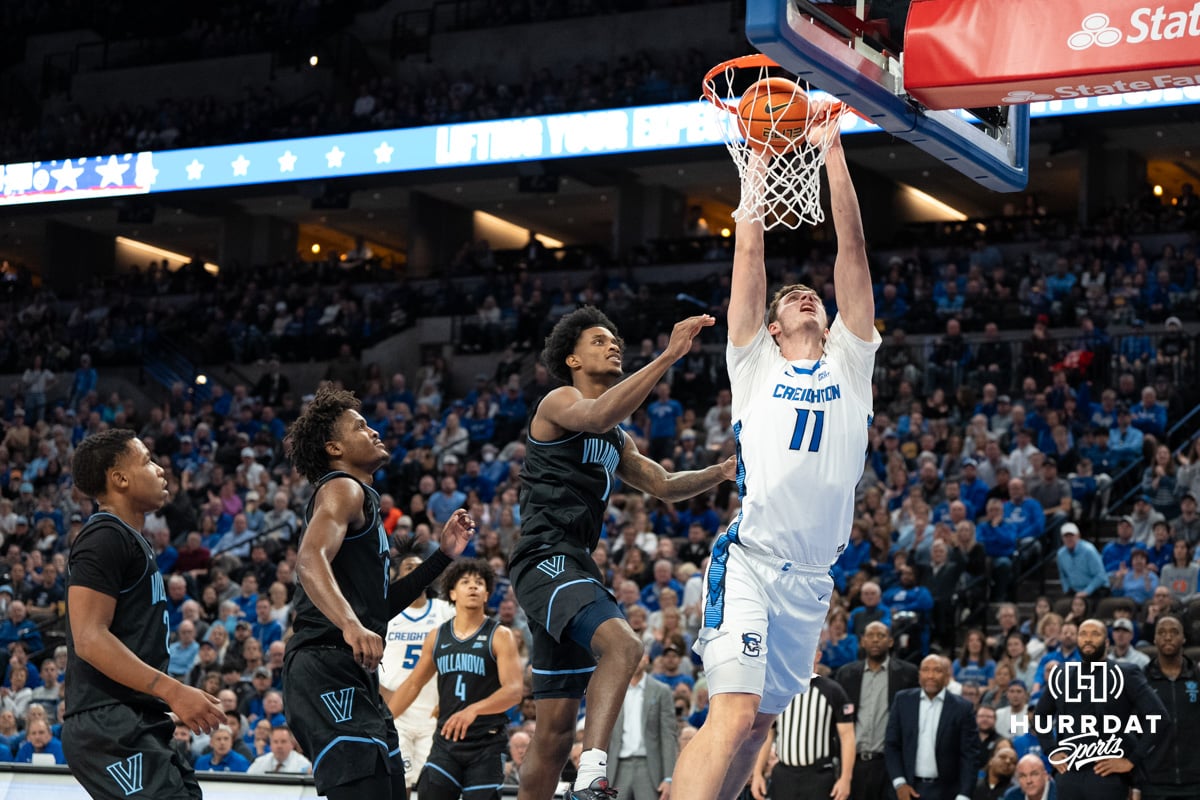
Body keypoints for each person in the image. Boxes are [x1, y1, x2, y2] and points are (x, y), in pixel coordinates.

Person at [673, 115, 879, 800]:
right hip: (753, 564)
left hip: (813, 582)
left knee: (759, 722)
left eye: (809, 294)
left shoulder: (851, 361)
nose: (803, 293)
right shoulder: (753, 363)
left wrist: (832, 151)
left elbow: (851, 250)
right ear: (770, 328)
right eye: (790, 300)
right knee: (732, 714)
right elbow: (752, 263)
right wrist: (756, 170)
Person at [510, 306, 735, 800]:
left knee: (551, 735)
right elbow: (597, 413)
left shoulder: (618, 438)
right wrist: (669, 355)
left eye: (615, 340)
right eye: (598, 340)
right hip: (545, 557)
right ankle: (591, 777)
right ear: (571, 357)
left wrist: (719, 472)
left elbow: (665, 484)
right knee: (625, 646)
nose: (613, 345)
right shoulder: (560, 401)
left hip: (571, 563)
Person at [282, 385, 477, 800]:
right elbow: (308, 559)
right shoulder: (341, 488)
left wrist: (442, 557)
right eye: (360, 426)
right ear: (334, 447)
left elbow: (379, 607)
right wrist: (351, 625)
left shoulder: (361, 499)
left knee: (391, 790)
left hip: (354, 670)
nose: (373, 431)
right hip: (324, 663)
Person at [62, 429, 226, 800]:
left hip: (134, 719)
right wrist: (173, 691)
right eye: (148, 461)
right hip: (108, 721)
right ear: (118, 479)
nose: (160, 469)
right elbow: (89, 638)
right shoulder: (104, 536)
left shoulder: (131, 539)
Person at [387, 559, 523, 800]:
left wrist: (473, 710)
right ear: (452, 592)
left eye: (479, 583)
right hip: (446, 743)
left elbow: (513, 691)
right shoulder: (437, 636)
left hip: (486, 743)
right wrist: (384, 722)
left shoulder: (500, 635)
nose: (473, 587)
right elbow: (413, 684)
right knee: (428, 794)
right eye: (465, 582)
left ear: (486, 594)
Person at [1032, 619, 1170, 800]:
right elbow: (1041, 715)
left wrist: (1132, 760)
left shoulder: (1126, 673)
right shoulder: (1062, 674)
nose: (1088, 639)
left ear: (1106, 643)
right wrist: (1051, 750)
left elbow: (1160, 717)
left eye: (1095, 634)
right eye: (1083, 634)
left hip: (1107, 775)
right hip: (1069, 774)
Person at [379, 552, 455, 797]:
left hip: (434, 712)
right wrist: (384, 696)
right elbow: (364, 660)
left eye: (419, 567)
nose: (414, 571)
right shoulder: (386, 613)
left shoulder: (445, 611)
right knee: (400, 783)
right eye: (408, 567)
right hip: (396, 712)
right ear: (398, 577)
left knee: (430, 785)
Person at [751, 652, 855, 800]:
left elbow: (847, 737)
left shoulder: (832, 691)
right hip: (784, 775)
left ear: (818, 656)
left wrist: (845, 779)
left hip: (819, 776)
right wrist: (757, 774)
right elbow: (768, 735)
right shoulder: (779, 690)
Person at [835, 621, 919, 800]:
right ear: (862, 641)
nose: (875, 640)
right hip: (853, 764)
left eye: (880, 636)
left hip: (890, 765)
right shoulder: (846, 674)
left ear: (890, 641)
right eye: (870, 636)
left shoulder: (908, 674)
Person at [884, 655, 979, 800]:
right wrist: (899, 782)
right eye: (926, 670)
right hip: (907, 788)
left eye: (937, 670)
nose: (931, 675)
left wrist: (964, 794)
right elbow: (891, 745)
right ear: (919, 675)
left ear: (947, 677)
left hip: (947, 792)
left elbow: (969, 756)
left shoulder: (962, 708)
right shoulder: (902, 700)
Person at [606, 650, 679, 800]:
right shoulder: (612, 690)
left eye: (637, 656)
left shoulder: (661, 691)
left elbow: (668, 736)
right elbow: (604, 733)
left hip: (649, 767)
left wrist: (669, 777)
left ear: (646, 659)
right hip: (617, 766)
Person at [1142, 616, 1200, 800]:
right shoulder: (1140, 681)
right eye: (1162, 632)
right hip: (1153, 782)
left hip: (1196, 782)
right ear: (1154, 639)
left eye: (1174, 632)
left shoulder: (1198, 677)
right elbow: (1131, 733)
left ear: (1183, 638)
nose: (1168, 637)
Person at [246, 723, 312, 774]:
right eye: (275, 742)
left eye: (283, 741)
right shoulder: (260, 762)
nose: (279, 746)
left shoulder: (303, 764)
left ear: (292, 744)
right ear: (270, 745)